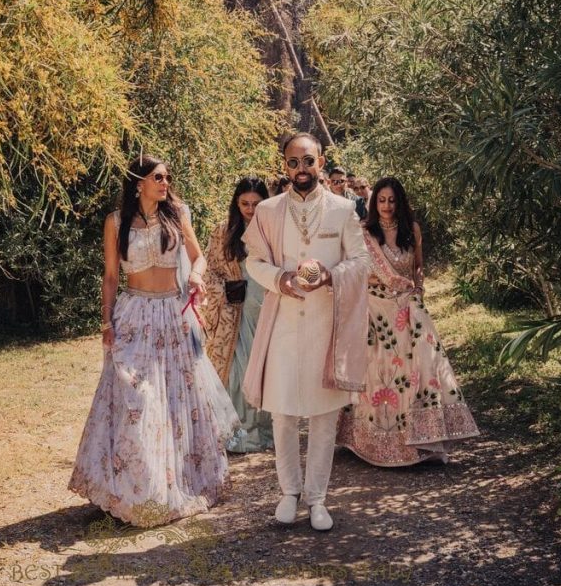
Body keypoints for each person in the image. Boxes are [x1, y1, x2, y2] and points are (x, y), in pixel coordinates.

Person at [68, 156, 239, 528]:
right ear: (138, 183)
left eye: (167, 177)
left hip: (173, 315)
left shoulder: (177, 215)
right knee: (137, 399)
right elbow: (111, 276)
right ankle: (135, 488)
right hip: (133, 316)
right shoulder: (115, 223)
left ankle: (177, 482)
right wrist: (106, 319)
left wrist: (194, 277)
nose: (165, 183)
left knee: (176, 400)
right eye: (157, 177)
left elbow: (199, 259)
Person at [242, 133, 370, 531]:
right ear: (284, 165)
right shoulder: (267, 210)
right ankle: (288, 493)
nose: (301, 169)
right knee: (282, 413)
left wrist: (331, 275)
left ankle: (317, 499)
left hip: (325, 326)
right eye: (293, 162)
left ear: (321, 161)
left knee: (323, 415)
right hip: (282, 323)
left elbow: (362, 261)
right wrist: (279, 279)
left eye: (308, 161)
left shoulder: (343, 209)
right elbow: (254, 261)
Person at [337, 177, 479, 466]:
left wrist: (417, 295)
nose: (387, 206)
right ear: (374, 203)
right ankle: (377, 442)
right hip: (375, 310)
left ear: (400, 202)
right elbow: (354, 271)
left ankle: (427, 436)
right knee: (381, 373)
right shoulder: (364, 232)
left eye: (392, 200)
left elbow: (418, 269)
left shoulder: (411, 230)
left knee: (424, 364)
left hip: (408, 309)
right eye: (381, 200)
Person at [202, 177, 274, 453]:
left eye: (256, 204)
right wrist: (225, 288)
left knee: (263, 366)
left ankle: (263, 430)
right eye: (244, 203)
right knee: (238, 369)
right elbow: (209, 270)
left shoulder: (272, 229)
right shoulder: (223, 231)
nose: (250, 209)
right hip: (233, 308)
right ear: (236, 203)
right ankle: (237, 431)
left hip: (265, 303)